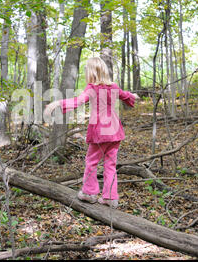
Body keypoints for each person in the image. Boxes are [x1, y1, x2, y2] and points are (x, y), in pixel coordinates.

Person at [44, 57, 139, 208]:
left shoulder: (92, 88)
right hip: (114, 131)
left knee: (91, 162)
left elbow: (78, 101)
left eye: (87, 70)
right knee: (110, 165)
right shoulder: (113, 86)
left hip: (100, 132)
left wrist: (58, 103)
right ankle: (110, 197)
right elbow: (125, 95)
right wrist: (133, 96)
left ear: (92, 72)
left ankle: (89, 193)